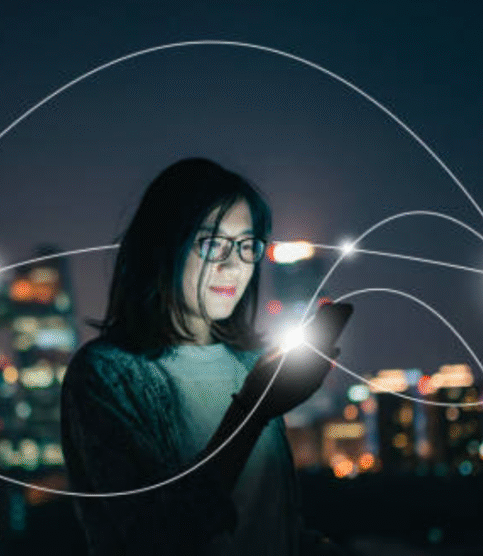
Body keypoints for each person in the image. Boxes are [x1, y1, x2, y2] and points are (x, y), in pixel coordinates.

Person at [60, 158, 349, 555]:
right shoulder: (106, 375)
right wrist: (251, 411)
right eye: (213, 243)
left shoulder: (249, 364)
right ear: (163, 245)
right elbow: (158, 535)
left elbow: (267, 523)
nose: (233, 264)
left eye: (247, 246)